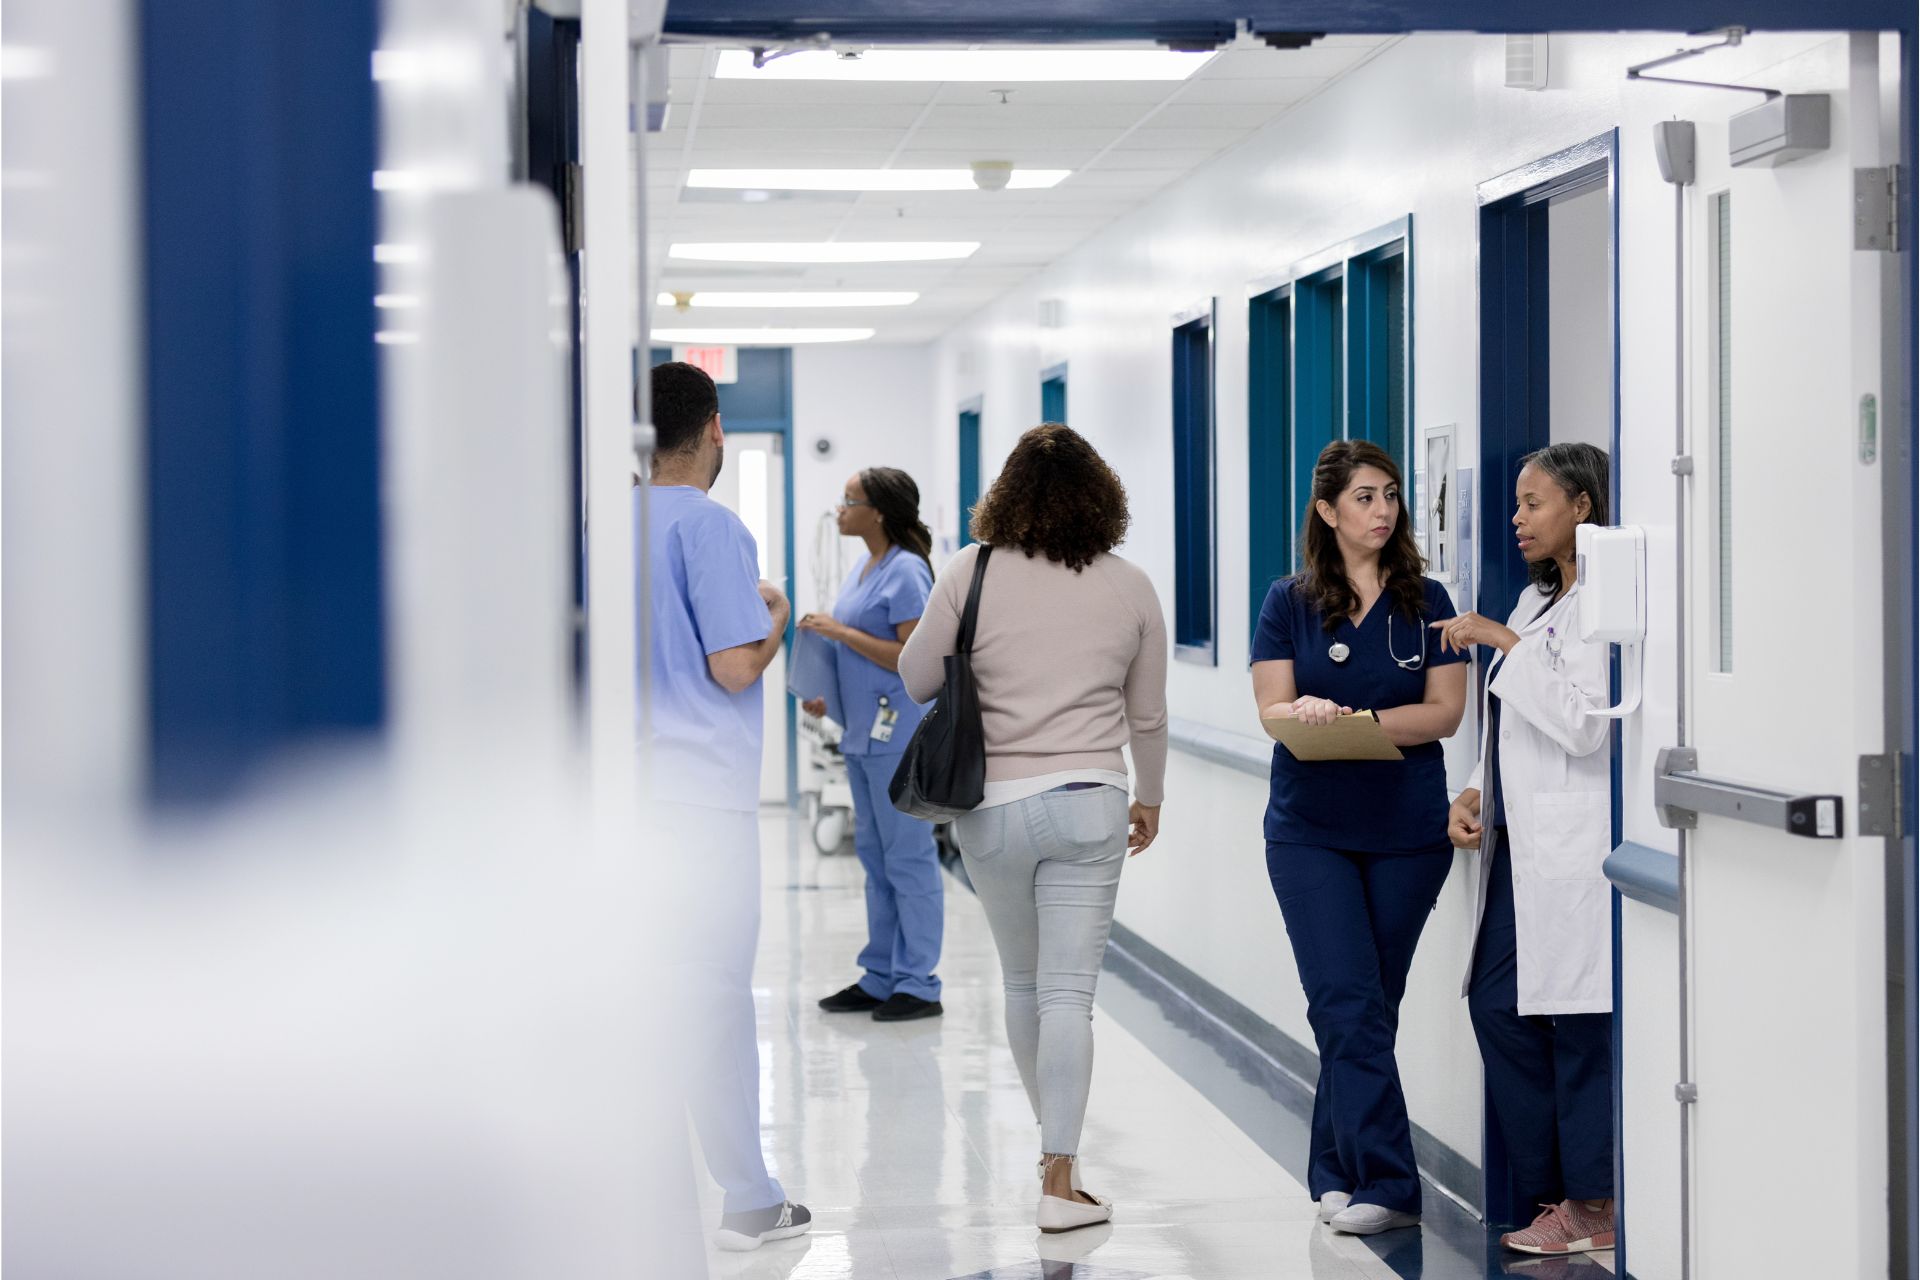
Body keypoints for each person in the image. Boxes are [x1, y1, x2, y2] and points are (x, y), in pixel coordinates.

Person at [899, 423, 1168, 1235]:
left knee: (1024, 985)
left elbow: (916, 679)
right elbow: (1147, 715)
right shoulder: (1130, 585)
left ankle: (1057, 1163)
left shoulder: (968, 572)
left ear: (1008, 494)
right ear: (1103, 498)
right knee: (1069, 995)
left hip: (994, 808)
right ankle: (1061, 1175)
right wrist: (1149, 798)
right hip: (1091, 800)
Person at [1249, 438, 1469, 1237]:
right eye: (1366, 497)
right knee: (1345, 1000)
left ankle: (1338, 1166)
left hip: (1407, 833)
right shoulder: (1289, 600)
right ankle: (1390, 1183)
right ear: (1327, 510)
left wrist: (1360, 721)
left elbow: (1446, 710)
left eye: (1391, 496)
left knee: (1370, 1008)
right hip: (1310, 831)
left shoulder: (1429, 598)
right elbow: (1271, 707)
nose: (1383, 511)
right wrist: (1301, 714)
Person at [639, 360, 812, 1253]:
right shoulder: (712, 528)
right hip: (700, 797)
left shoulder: (604, 522)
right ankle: (748, 1198)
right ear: (712, 429)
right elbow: (735, 666)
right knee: (711, 995)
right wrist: (775, 614)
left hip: (622, 794)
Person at [1438, 443, 1616, 1257]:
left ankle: (1594, 1204)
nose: (1516, 518)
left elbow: (1583, 720)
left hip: (1574, 845)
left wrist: (1505, 644)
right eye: (1515, 503)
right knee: (1498, 1005)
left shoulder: (1604, 604)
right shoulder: (1538, 600)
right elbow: (1514, 725)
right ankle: (1555, 1190)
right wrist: (1475, 789)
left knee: (1577, 1021)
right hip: (1520, 841)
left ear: (1582, 506)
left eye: (1532, 502)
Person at [800, 468, 945, 1023]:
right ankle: (881, 974)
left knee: (907, 859)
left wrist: (839, 632)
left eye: (849, 500)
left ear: (877, 511)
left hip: (899, 737)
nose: (839, 508)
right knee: (875, 860)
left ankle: (919, 982)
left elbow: (913, 658)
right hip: (861, 735)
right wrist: (824, 693)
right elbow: (862, 656)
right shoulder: (864, 568)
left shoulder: (907, 572)